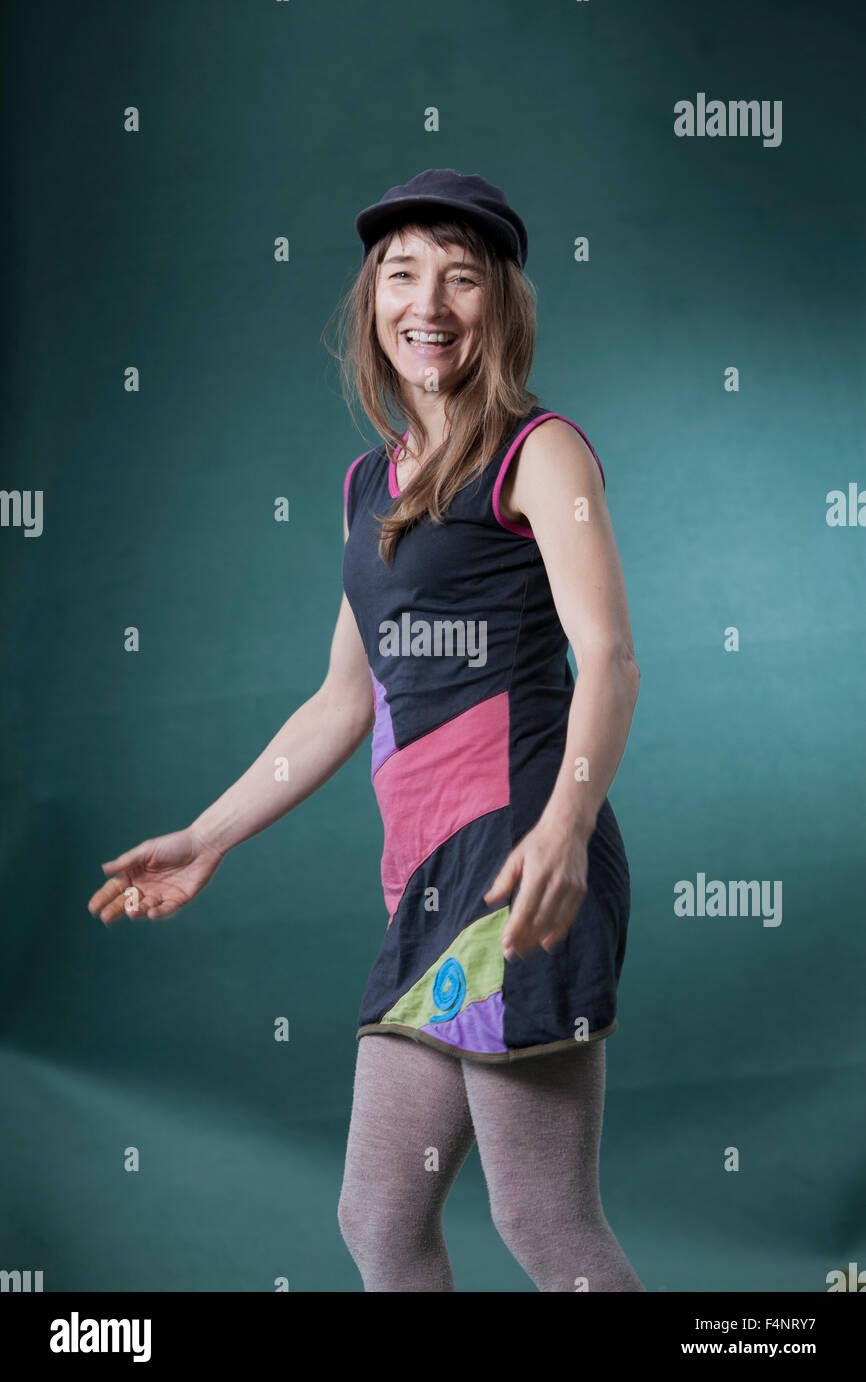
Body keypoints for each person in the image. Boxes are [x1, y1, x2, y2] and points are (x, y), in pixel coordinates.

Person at [87, 168, 646, 1293]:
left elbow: (610, 659)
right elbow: (346, 696)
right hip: (426, 884)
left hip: (518, 864)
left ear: (501, 303)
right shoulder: (366, 485)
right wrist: (206, 837)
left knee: (542, 1222)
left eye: (458, 276)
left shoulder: (540, 455)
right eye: (401, 274)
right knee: (378, 1220)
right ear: (370, 303)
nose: (425, 303)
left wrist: (565, 826)